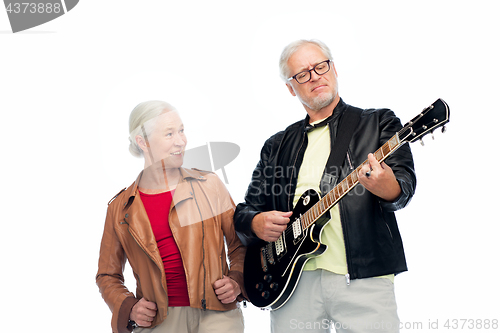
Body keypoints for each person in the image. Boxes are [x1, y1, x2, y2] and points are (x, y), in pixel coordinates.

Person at [234, 39, 416, 332]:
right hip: (292, 282)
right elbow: (245, 210)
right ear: (291, 87)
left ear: (334, 69)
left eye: (321, 66)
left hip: (363, 277)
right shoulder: (277, 144)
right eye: (302, 74)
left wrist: (385, 185)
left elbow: (404, 188)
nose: (315, 76)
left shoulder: (378, 122)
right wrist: (255, 222)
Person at [96, 101, 246, 333]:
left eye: (182, 130)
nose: (181, 141)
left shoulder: (210, 185)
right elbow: (108, 275)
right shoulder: (120, 208)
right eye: (169, 133)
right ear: (142, 142)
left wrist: (236, 279)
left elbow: (241, 243)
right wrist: (130, 307)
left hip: (218, 316)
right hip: (159, 323)